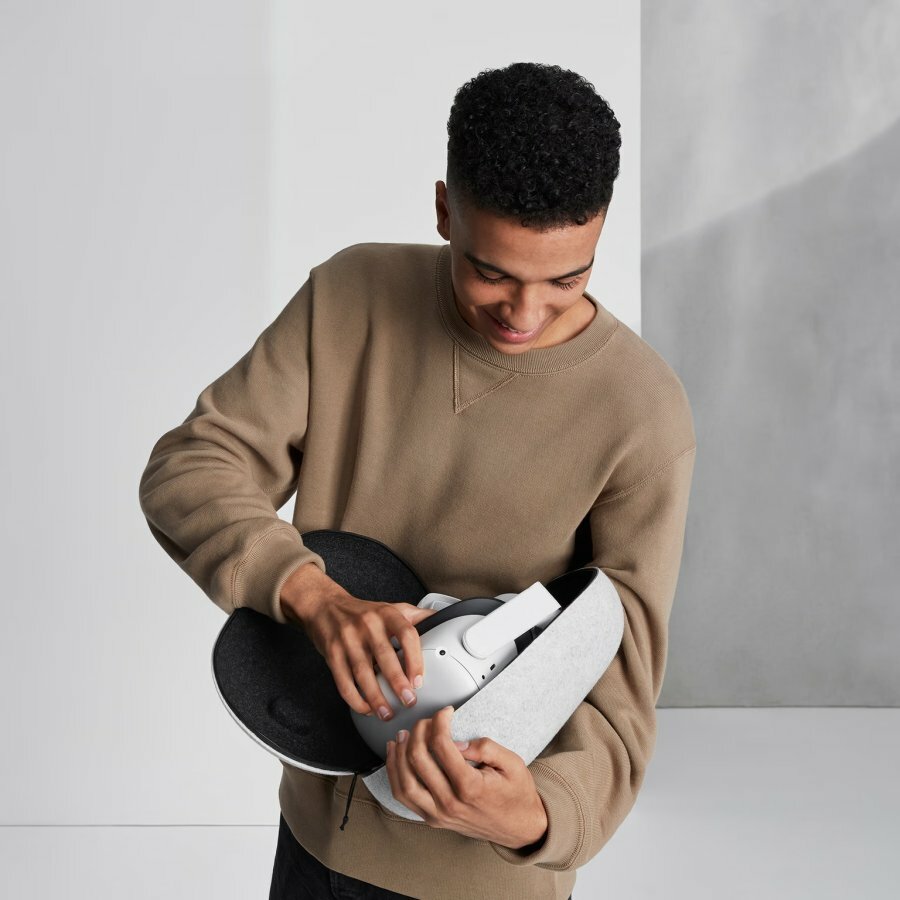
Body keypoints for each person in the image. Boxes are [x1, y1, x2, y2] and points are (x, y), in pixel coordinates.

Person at [138, 61, 696, 900]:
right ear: (444, 210)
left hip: (488, 874)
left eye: (566, 278)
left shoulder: (643, 412)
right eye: (492, 272)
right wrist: (312, 596)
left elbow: (621, 697)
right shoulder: (351, 296)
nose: (525, 312)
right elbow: (191, 465)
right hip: (317, 847)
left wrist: (535, 816)